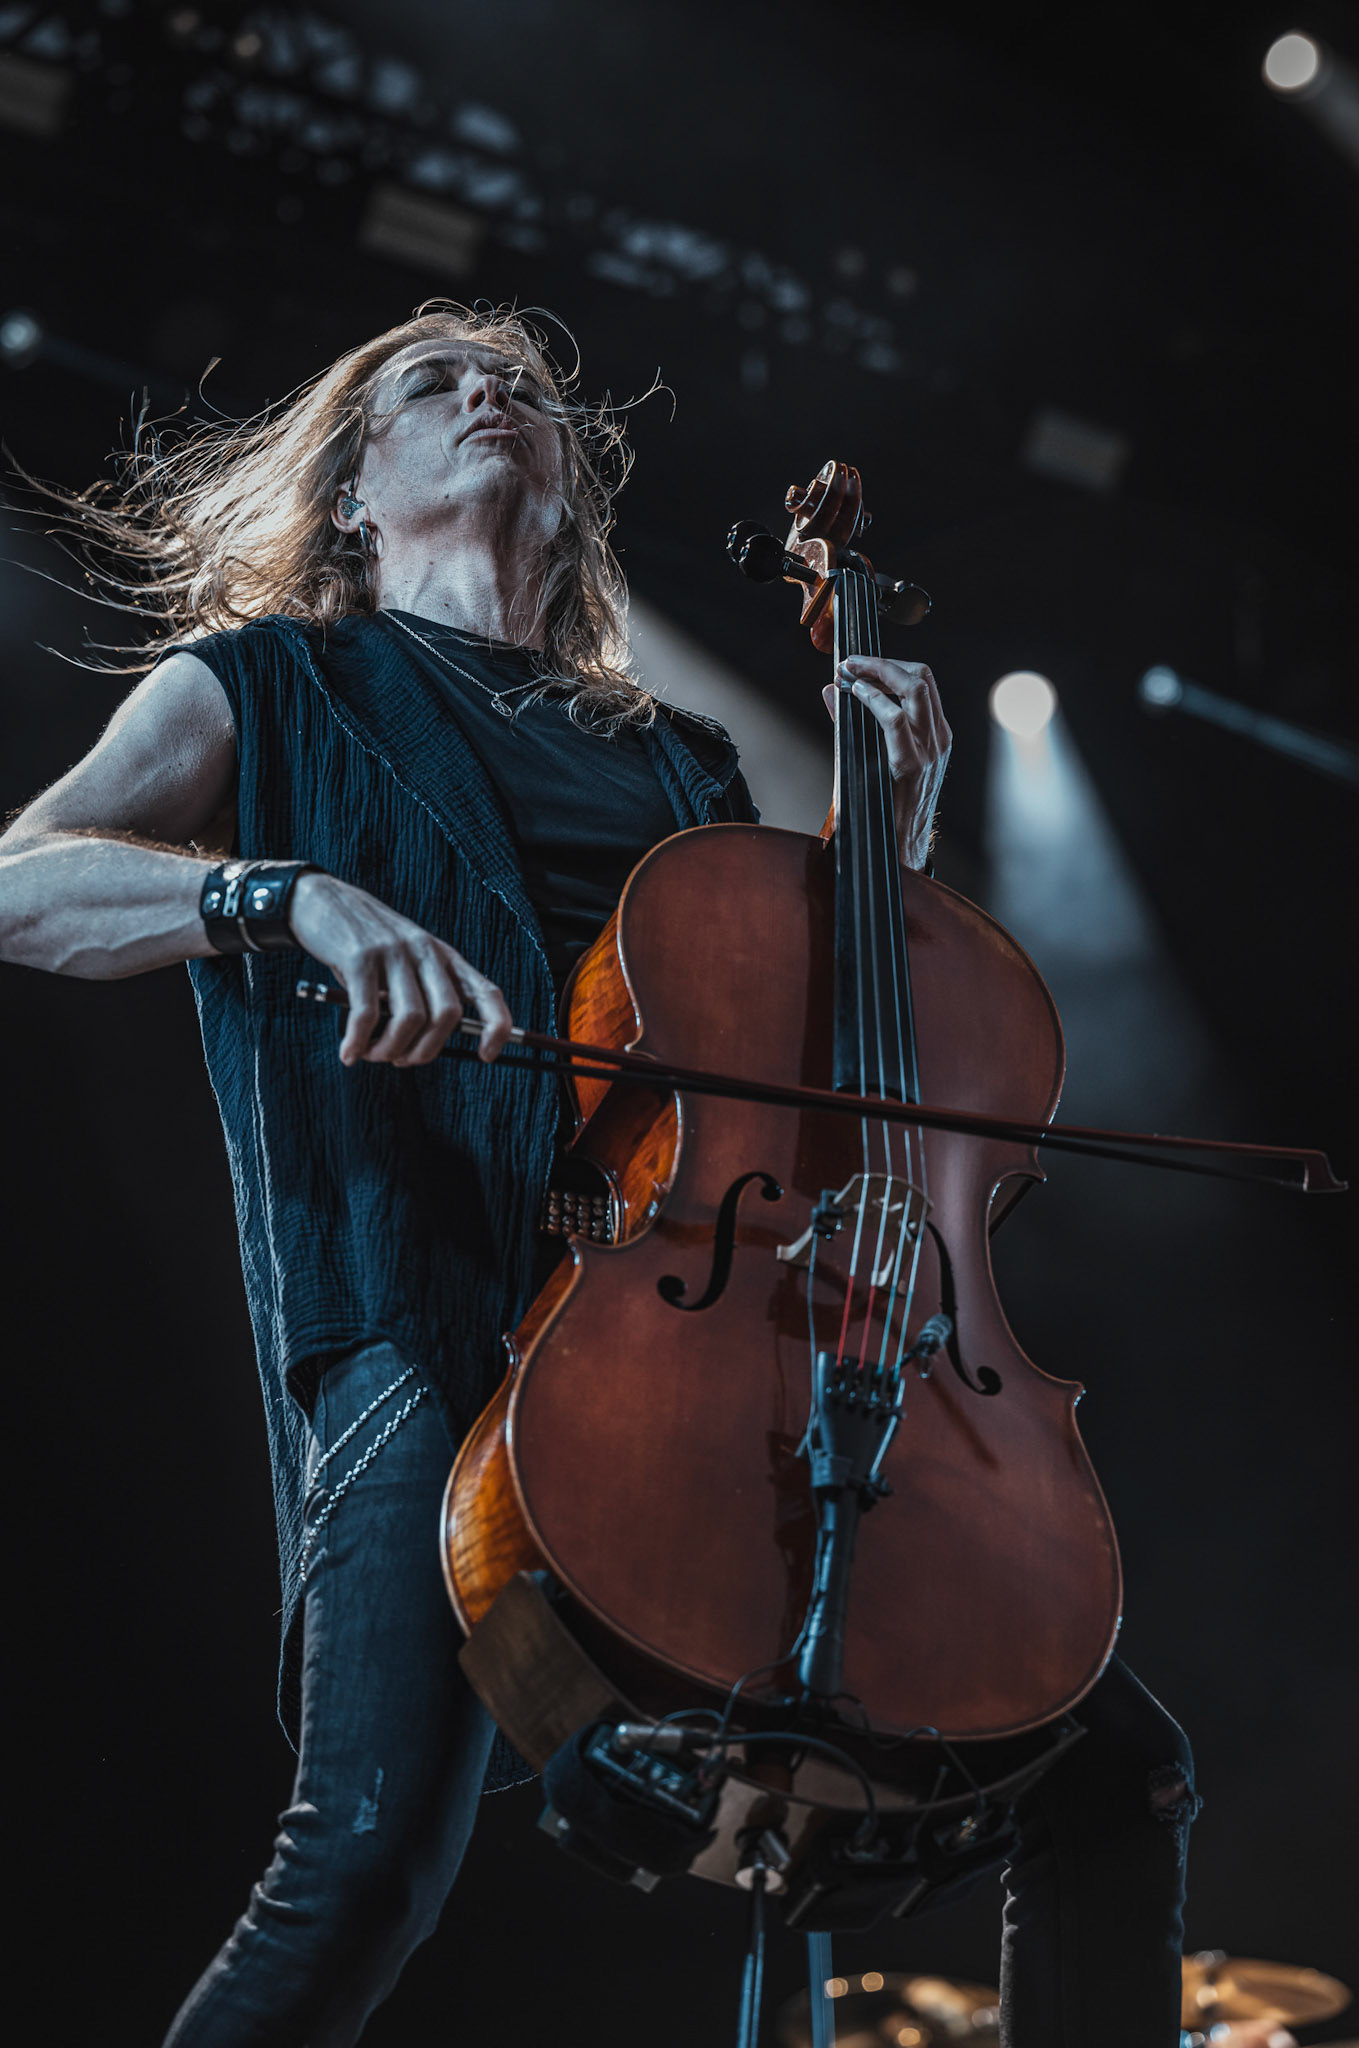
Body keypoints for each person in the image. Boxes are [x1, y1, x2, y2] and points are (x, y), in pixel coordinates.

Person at [0, 305, 1201, 2047]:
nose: (494, 392)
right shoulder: (269, 682)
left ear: (568, 491)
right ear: (352, 492)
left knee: (1117, 1770)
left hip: (700, 1340)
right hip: (425, 1309)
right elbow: (19, 883)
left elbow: (800, 1083)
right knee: (362, 1857)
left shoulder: (678, 763)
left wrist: (887, 860)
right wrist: (282, 898)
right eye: (436, 382)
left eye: (528, 390)